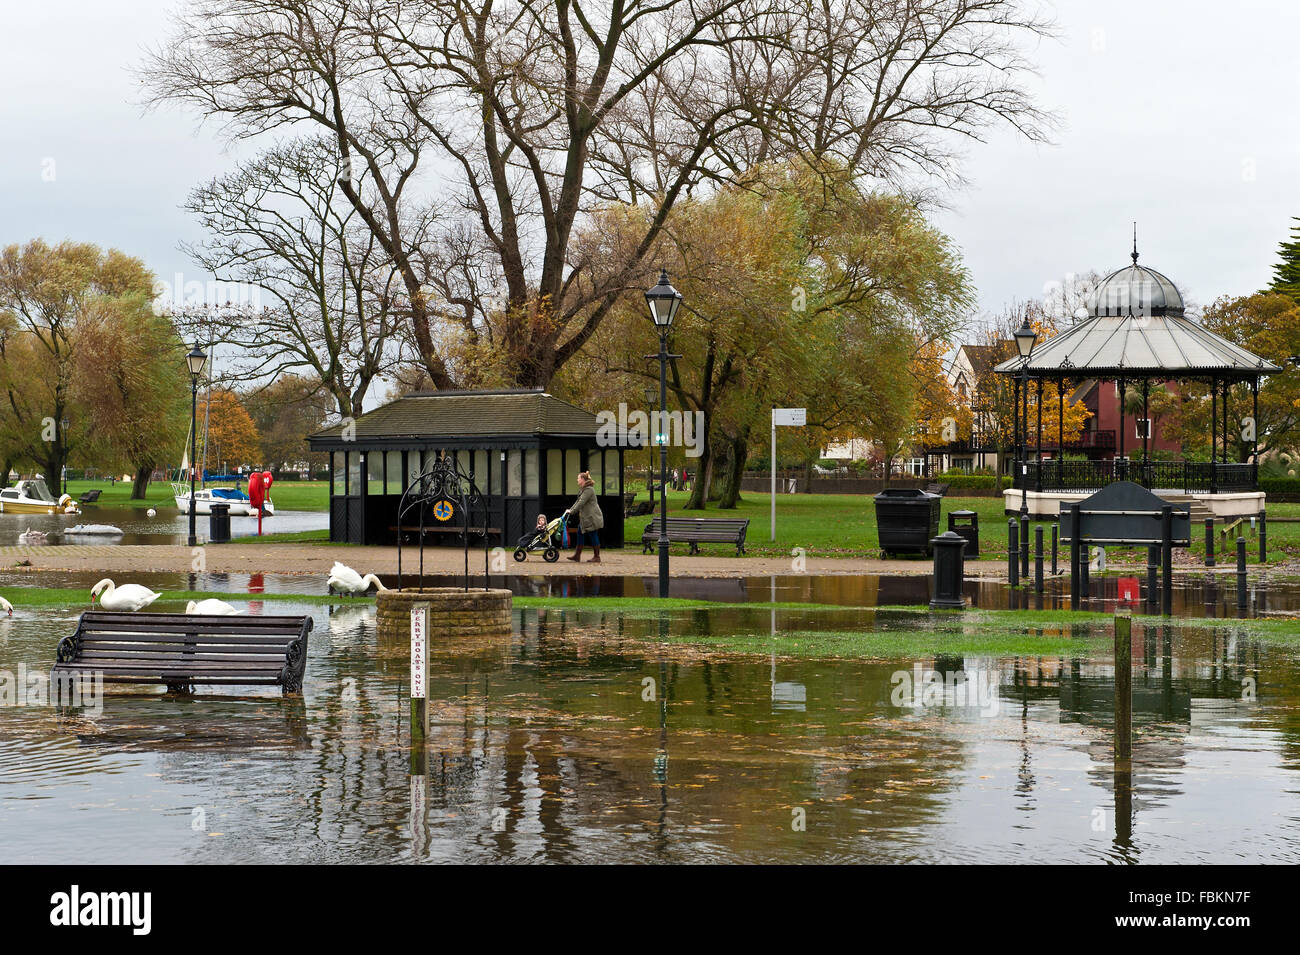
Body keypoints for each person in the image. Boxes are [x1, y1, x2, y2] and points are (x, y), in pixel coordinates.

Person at [564, 471, 604, 563]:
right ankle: (577, 556)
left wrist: (572, 511)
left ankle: (597, 557)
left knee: (593, 534)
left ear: (582, 479)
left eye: (578, 478)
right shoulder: (584, 489)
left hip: (592, 517)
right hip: (586, 518)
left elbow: (581, 503)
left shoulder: (589, 490)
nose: (577, 480)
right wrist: (570, 510)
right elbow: (578, 502)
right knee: (580, 533)